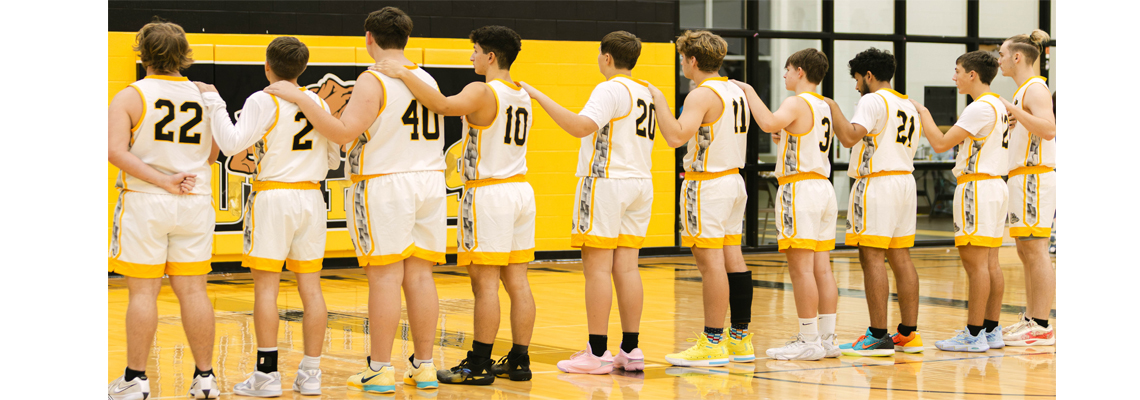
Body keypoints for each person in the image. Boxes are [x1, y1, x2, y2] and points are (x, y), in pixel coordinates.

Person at [265, 7, 445, 393]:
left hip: (386, 183)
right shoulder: (423, 76)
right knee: (420, 275)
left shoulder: (373, 78)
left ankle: (380, 369)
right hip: (431, 180)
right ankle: (425, 366)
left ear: (369, 37)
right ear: (406, 37)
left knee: (384, 278)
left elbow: (344, 133)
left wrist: (305, 99)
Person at [371, 24, 536, 386]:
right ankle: (519, 361)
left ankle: (477, 364)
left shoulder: (481, 89)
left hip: (489, 192)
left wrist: (403, 73)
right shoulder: (522, 92)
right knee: (519, 283)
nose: (472, 57)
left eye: (475, 51)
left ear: (491, 56)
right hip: (522, 190)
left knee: (486, 285)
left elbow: (442, 105)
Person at [199, 36, 336, 397]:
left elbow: (230, 145)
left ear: (267, 65)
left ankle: (267, 375)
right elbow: (335, 159)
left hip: (274, 195)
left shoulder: (263, 99)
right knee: (311, 288)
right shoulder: (317, 100)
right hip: (311, 196)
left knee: (267, 287)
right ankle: (311, 375)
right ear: (303, 69)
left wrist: (214, 101)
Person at [520, 31, 654, 374]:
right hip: (641, 183)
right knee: (627, 267)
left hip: (607, 182)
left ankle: (596, 353)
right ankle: (631, 349)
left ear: (606, 57)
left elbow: (581, 127)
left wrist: (539, 96)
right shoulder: (646, 91)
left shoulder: (610, 88)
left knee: (596, 268)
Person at [107, 19, 220, 399]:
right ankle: (205, 379)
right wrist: (180, 176)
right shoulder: (204, 95)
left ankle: (135, 379)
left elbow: (115, 152)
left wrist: (162, 180)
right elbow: (214, 152)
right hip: (195, 201)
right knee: (194, 292)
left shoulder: (130, 96)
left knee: (142, 294)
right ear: (184, 54)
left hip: (146, 202)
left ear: (143, 53)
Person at [645, 30, 756, 367]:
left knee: (711, 266)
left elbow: (675, 136)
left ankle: (712, 341)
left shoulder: (701, 95)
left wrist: (659, 101)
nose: (681, 64)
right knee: (732, 258)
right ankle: (739, 339)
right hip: (734, 181)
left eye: (682, 59)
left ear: (692, 60)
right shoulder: (735, 89)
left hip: (707, 184)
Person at [733, 48, 840, 361]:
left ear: (801, 72)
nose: (784, 75)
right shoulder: (824, 104)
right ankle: (826, 338)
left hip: (800, 189)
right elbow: (796, 134)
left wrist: (749, 90)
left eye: (787, 69)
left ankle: (808, 338)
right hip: (823, 187)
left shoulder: (795, 102)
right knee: (822, 268)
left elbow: (767, 123)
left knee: (801, 269)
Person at [824, 48, 923, 357]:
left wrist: (832, 107)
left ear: (868, 75)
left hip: (879, 182)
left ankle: (878, 335)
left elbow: (850, 137)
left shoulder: (871, 100)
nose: (856, 86)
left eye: (857, 79)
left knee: (872, 257)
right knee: (901, 258)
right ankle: (907, 334)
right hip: (905, 181)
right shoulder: (906, 103)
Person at [911, 50, 1010, 352]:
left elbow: (940, 144)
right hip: (994, 186)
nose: (953, 77)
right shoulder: (998, 104)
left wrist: (924, 113)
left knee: (976, 265)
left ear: (972, 75)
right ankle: (991, 330)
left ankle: (974, 333)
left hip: (977, 188)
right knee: (991, 263)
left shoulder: (980, 107)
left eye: (957, 71)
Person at [997, 29, 1057, 347]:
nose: (1000, 60)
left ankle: (1043, 324)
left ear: (1018, 57)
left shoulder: (1035, 89)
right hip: (1021, 177)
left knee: (1036, 250)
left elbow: (1050, 130)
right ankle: (1032, 318)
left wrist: (1014, 110)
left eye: (1003, 54)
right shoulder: (1024, 90)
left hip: (1035, 176)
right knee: (1025, 251)